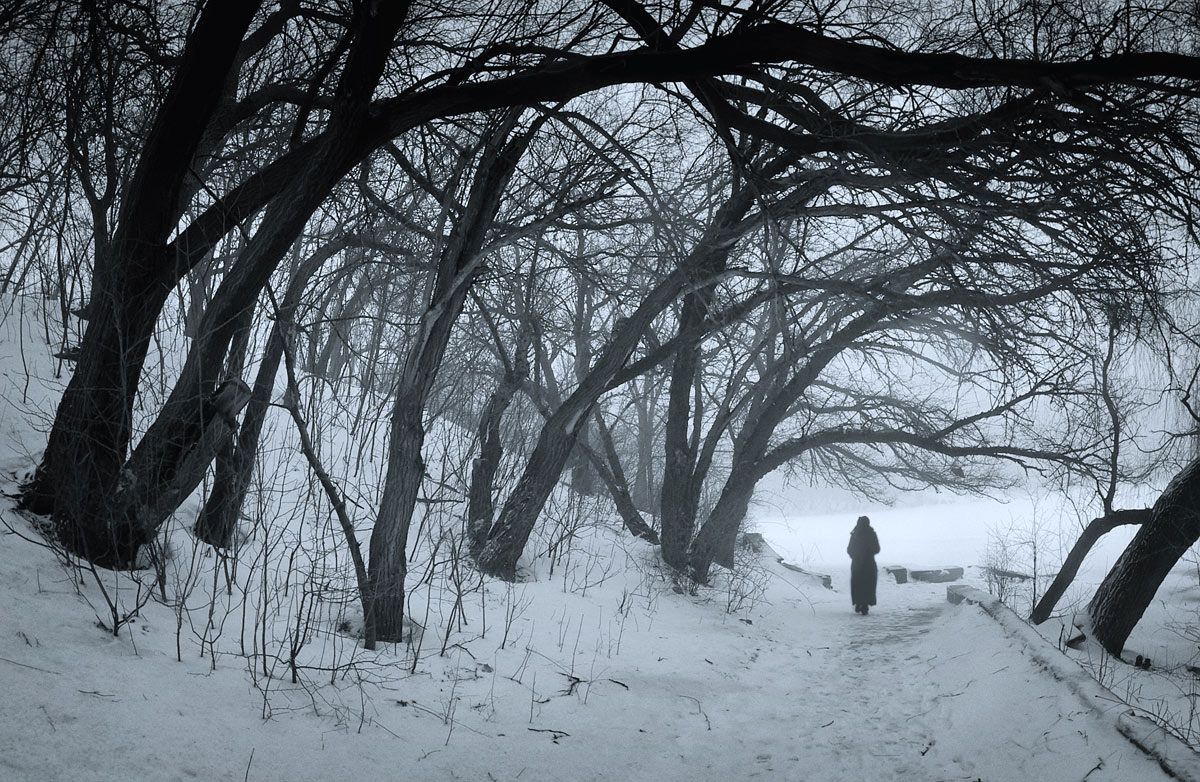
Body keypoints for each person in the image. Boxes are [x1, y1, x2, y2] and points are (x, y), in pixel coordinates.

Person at [847, 515, 880, 615]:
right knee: (868, 584)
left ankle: (858, 602)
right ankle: (865, 604)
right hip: (869, 564)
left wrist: (855, 556)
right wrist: (869, 553)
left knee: (857, 584)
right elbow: (877, 548)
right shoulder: (871, 534)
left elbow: (849, 549)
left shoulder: (855, 534)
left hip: (857, 564)